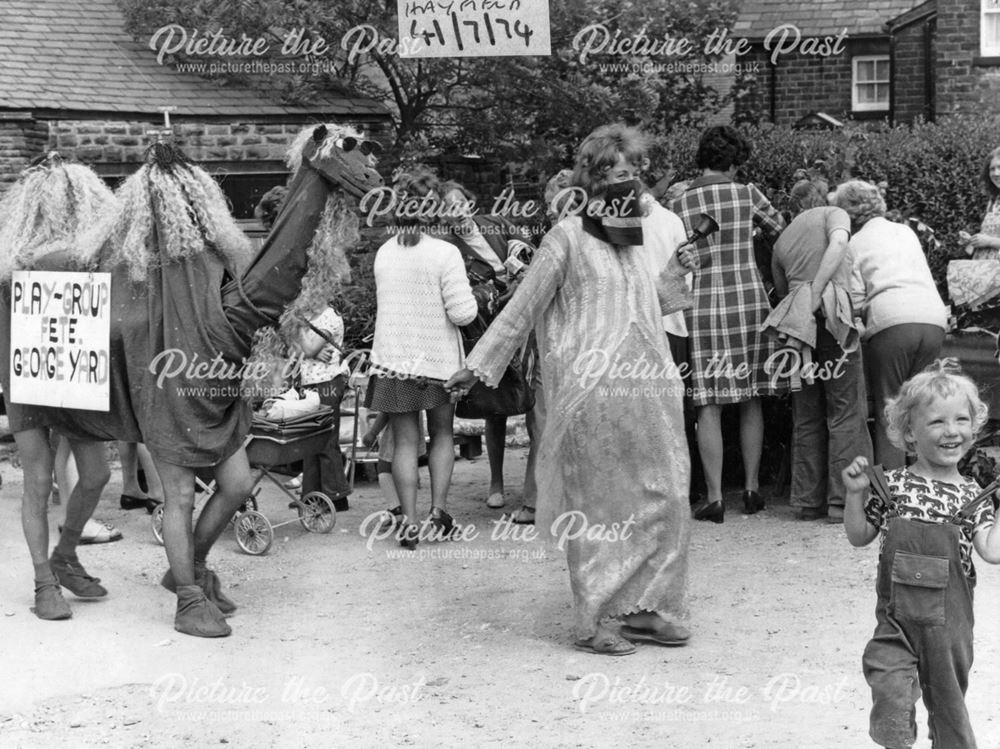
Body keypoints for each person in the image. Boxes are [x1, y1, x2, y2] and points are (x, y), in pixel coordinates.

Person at [447, 123, 696, 655]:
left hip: (649, 390)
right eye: (616, 174)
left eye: (634, 174)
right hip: (591, 392)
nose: (630, 184)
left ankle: (649, 607)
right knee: (599, 504)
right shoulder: (565, 238)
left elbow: (649, 306)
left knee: (666, 493)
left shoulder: (631, 241)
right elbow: (523, 307)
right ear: (593, 180)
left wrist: (675, 274)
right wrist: (478, 363)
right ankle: (594, 620)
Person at [842, 359, 999, 749]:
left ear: (973, 427)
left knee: (949, 711)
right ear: (909, 433)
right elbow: (859, 535)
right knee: (889, 687)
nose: (952, 431)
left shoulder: (971, 495)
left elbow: (992, 552)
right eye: (937, 422)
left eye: (961, 420)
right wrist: (854, 494)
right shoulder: (891, 486)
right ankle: (897, 738)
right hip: (896, 620)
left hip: (950, 627)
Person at [670, 125, 785, 522]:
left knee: (708, 403)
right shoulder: (747, 193)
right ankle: (751, 490)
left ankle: (716, 497)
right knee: (751, 396)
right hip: (748, 300)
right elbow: (782, 232)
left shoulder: (679, 201)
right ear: (734, 162)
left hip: (699, 305)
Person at [365, 169, 478, 548]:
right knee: (443, 433)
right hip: (437, 365)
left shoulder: (384, 253)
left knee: (404, 443)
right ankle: (439, 514)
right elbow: (463, 314)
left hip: (393, 362)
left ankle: (409, 523)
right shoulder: (445, 253)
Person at [768, 180, 872, 522]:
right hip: (833, 315)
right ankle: (841, 501)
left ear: (794, 206)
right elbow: (840, 242)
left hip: (798, 323)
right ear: (822, 197)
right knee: (844, 408)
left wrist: (804, 298)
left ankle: (808, 500)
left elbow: (781, 289)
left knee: (807, 411)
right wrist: (818, 289)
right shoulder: (834, 213)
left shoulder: (782, 239)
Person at [831, 180, 948, 470]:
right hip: (933, 318)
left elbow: (855, 299)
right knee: (922, 407)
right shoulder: (905, 231)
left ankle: (892, 496)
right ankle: (929, 485)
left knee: (891, 410)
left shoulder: (854, 243)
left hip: (892, 323)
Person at [438, 178, 536, 511]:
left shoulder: (494, 223)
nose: (458, 211)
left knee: (539, 401)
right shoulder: (447, 248)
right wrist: (494, 291)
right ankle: (496, 481)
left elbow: (525, 243)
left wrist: (517, 259)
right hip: (489, 326)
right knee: (497, 407)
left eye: (461, 202)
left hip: (527, 318)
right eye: (450, 207)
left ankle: (538, 483)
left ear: (470, 202)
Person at [295, 303, 351, 512]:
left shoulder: (329, 317)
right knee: (309, 439)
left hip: (327, 381)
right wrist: (312, 353)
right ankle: (311, 497)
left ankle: (336, 497)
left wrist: (306, 345)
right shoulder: (306, 315)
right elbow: (296, 349)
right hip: (310, 382)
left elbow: (307, 347)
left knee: (326, 439)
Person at [964, 145, 1000, 260]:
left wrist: (990, 241)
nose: (996, 173)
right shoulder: (994, 201)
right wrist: (972, 240)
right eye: (992, 169)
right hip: (986, 270)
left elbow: (989, 240)